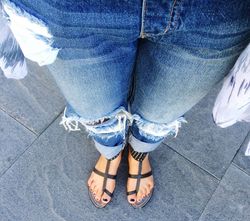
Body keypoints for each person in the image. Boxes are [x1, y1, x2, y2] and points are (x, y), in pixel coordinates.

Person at [1, 0, 250, 208]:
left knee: (160, 113)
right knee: (96, 110)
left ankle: (137, 151)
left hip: (217, 12)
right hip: (67, 8)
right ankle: (111, 151)